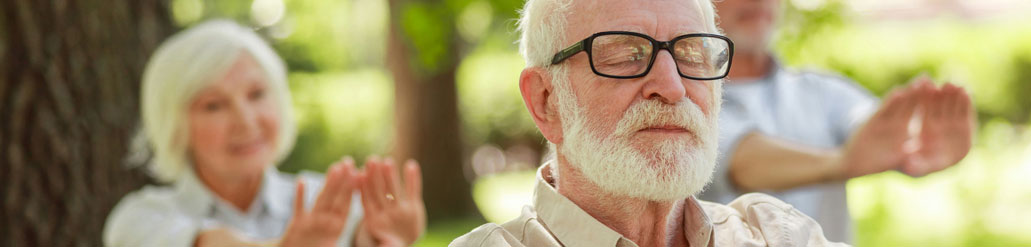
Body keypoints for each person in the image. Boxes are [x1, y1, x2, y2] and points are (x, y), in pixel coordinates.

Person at [450, 0, 846, 246]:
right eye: (625, 54)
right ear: (546, 101)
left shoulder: (776, 235)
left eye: (691, 52)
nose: (672, 87)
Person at [103, 20, 426, 247]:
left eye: (257, 95)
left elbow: (367, 237)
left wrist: (383, 239)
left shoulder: (326, 201)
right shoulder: (141, 219)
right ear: (174, 126)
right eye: (214, 106)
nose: (245, 121)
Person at [697, 0, 977, 242]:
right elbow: (739, 159)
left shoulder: (822, 90)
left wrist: (917, 144)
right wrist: (842, 161)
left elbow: (875, 129)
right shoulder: (684, 96)